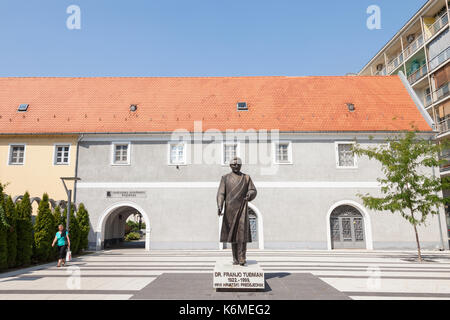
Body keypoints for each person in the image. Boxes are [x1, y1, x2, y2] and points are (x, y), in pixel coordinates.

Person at [217, 157, 257, 266]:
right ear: (230, 166)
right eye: (233, 164)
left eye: (238, 164)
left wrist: (250, 194)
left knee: (242, 235)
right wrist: (220, 205)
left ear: (241, 165)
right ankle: (235, 258)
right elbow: (221, 193)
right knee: (233, 235)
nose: (236, 166)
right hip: (230, 210)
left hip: (242, 208)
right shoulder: (225, 178)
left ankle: (242, 257)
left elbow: (253, 189)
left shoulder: (246, 178)